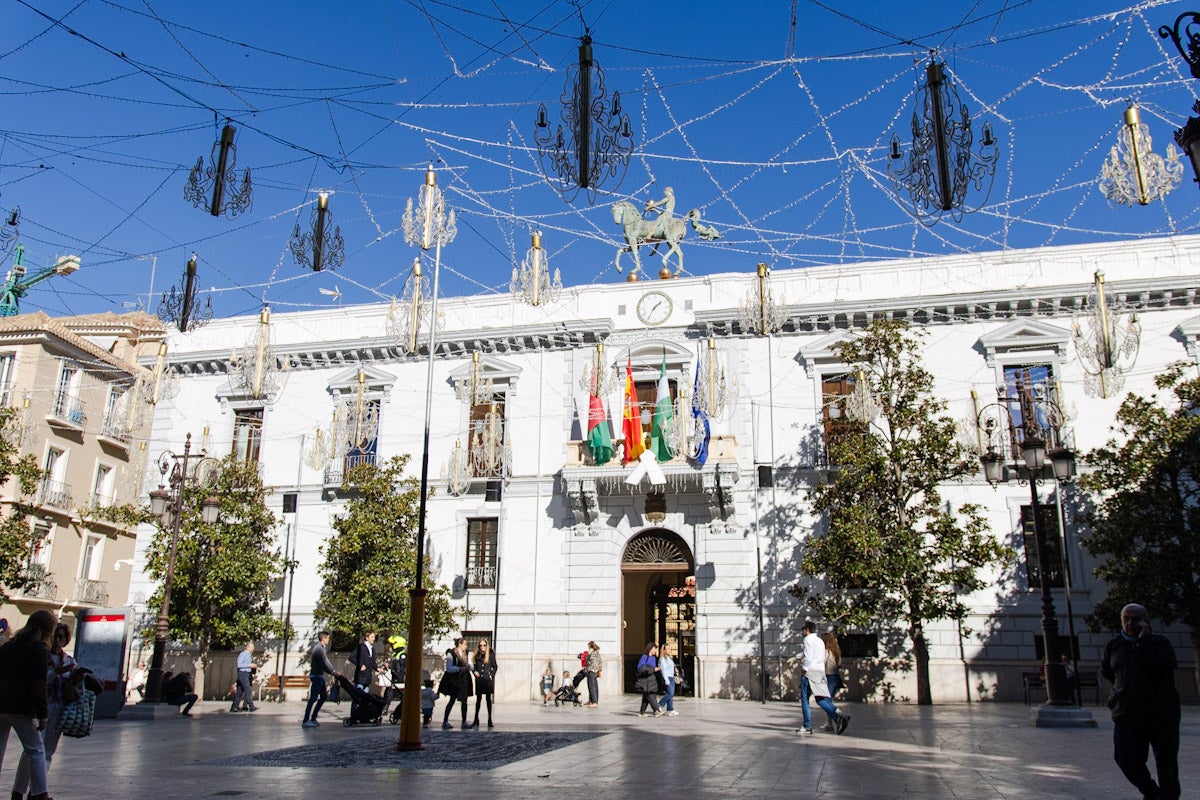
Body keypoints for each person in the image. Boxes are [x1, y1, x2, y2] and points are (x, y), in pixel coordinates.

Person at [1100, 603, 1180, 800]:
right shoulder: (1115, 644)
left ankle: (1168, 797)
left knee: (1166, 763)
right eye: (1126, 618)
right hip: (1127, 713)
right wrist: (1121, 691)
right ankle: (1152, 792)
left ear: (1146, 621)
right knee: (1125, 758)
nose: (1130, 623)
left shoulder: (1160, 643)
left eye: (1135, 619)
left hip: (1161, 714)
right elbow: (1108, 671)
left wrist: (1144, 642)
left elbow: (1165, 665)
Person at [12, 622, 75, 798]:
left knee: (47, 751)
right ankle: (20, 791)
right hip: (39, 708)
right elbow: (38, 682)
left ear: (66, 640)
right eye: (54, 636)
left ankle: (35, 791)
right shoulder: (41, 656)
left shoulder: (69, 661)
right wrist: (55, 672)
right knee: (32, 751)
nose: (57, 640)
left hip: (58, 709)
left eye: (61, 637)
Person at [0, 609, 56, 800]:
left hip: (1, 705)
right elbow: (38, 685)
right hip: (22, 708)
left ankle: (21, 793)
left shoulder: (9, 646)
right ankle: (41, 794)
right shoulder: (38, 650)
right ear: (47, 630)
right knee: (36, 750)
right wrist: (42, 713)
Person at [799, 621, 849, 735]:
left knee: (805, 699)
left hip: (810, 672)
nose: (802, 631)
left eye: (803, 629)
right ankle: (838, 718)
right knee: (821, 699)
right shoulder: (820, 641)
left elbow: (808, 658)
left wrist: (804, 669)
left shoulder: (808, 640)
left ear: (807, 630)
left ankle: (807, 726)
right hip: (820, 672)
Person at [302, 630, 339, 728]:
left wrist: (333, 671)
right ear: (324, 638)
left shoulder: (321, 648)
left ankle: (313, 718)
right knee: (313, 698)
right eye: (328, 638)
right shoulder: (319, 649)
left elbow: (325, 662)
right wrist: (333, 672)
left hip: (319, 676)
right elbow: (325, 663)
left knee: (323, 697)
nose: (329, 640)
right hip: (317, 676)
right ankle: (306, 720)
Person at [438, 638, 470, 729]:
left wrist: (470, 668)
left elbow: (469, 664)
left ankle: (464, 721)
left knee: (464, 700)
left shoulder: (466, 653)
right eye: (465, 644)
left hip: (463, 679)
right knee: (452, 700)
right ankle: (445, 721)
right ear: (460, 644)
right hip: (454, 680)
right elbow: (449, 668)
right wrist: (459, 669)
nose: (466, 646)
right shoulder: (451, 653)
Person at [348, 631, 377, 721]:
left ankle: (363, 715)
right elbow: (352, 657)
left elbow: (372, 662)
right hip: (360, 677)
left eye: (374, 637)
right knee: (357, 696)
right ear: (367, 637)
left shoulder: (372, 649)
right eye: (372, 637)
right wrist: (360, 665)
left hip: (367, 676)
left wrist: (377, 668)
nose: (373, 639)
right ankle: (354, 715)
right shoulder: (361, 647)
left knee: (365, 698)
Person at [470, 638, 497, 729]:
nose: (482, 647)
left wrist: (491, 675)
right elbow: (473, 666)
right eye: (480, 645)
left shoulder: (490, 654)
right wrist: (474, 671)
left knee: (488, 699)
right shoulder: (477, 654)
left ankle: (489, 719)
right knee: (478, 700)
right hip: (479, 680)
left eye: (484, 645)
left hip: (487, 679)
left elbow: (495, 666)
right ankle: (476, 719)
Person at [819, 630, 844, 730]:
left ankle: (839, 713)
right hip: (836, 677)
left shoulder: (826, 652)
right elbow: (840, 665)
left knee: (825, 701)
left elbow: (822, 663)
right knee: (828, 700)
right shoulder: (836, 651)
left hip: (828, 677)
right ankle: (828, 723)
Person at [634, 643, 663, 718]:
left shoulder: (653, 658)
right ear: (650, 649)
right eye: (654, 649)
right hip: (645, 679)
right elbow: (640, 667)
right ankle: (656, 710)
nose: (655, 651)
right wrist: (653, 669)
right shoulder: (645, 657)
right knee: (650, 694)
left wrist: (655, 669)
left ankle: (642, 712)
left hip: (651, 679)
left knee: (646, 696)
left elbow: (653, 668)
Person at [230, 642, 257, 712]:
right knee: (247, 690)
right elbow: (239, 665)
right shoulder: (243, 654)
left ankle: (234, 707)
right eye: (251, 647)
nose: (253, 648)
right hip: (243, 674)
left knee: (239, 691)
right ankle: (251, 706)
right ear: (247, 647)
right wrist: (249, 665)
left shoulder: (249, 655)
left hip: (247, 674)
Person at [658, 641, 678, 716]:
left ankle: (670, 709)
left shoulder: (669, 658)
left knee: (671, 694)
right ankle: (660, 704)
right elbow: (664, 670)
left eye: (670, 649)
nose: (670, 650)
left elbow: (671, 666)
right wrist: (666, 680)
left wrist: (675, 669)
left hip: (671, 677)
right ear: (664, 650)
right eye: (668, 649)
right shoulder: (662, 659)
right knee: (670, 693)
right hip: (667, 678)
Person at [584, 641, 602, 708]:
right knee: (595, 686)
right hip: (595, 671)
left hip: (591, 671)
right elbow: (600, 661)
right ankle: (592, 701)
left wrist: (587, 656)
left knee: (591, 687)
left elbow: (589, 662)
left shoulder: (592, 653)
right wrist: (599, 669)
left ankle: (594, 702)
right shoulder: (597, 652)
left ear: (590, 646)